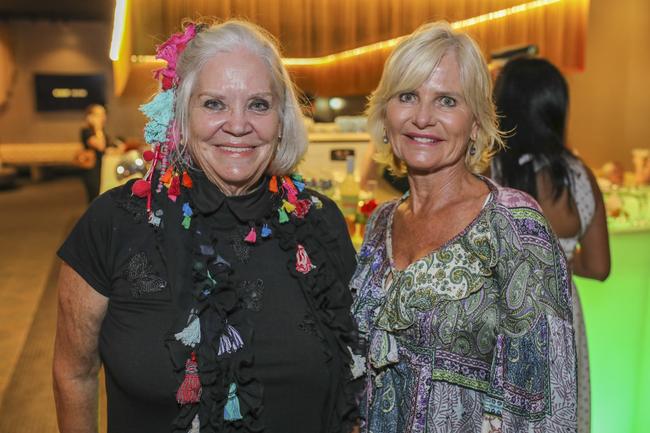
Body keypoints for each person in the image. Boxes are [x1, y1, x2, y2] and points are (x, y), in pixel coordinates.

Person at [53, 20, 360, 433]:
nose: (237, 125)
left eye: (258, 104)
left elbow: (352, 382)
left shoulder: (319, 222)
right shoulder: (115, 222)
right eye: (214, 103)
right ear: (183, 113)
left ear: (282, 119)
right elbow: (74, 373)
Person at [350, 22, 577, 432]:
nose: (422, 117)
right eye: (407, 97)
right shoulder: (381, 222)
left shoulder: (513, 226)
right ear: (386, 113)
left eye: (447, 101)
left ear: (475, 123)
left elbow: (546, 405)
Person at [491, 57, 611, 433]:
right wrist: (560, 259)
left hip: (500, 313)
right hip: (561, 314)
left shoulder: (487, 174)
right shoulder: (578, 175)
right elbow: (599, 266)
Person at [80, 104, 113, 203]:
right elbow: (100, 145)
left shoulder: (101, 132)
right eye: (99, 114)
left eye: (104, 114)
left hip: (102, 168)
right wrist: (97, 127)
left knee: (101, 196)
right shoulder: (87, 131)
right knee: (94, 198)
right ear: (90, 117)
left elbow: (105, 149)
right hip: (92, 170)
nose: (103, 117)